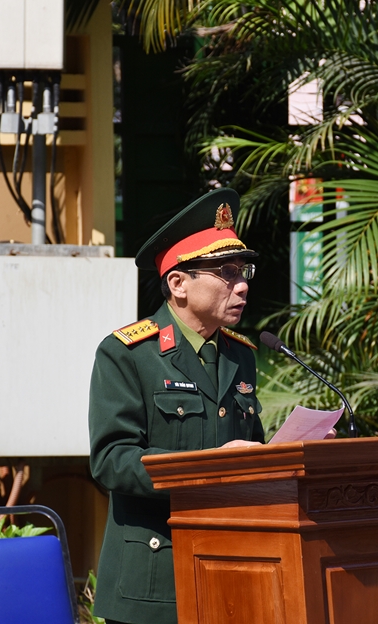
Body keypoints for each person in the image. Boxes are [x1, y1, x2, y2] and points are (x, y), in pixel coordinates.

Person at [88, 188, 264, 624]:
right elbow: (112, 460)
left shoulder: (241, 355)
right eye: (226, 272)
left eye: (243, 270)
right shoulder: (127, 354)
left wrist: (294, 451)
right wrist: (208, 468)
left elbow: (249, 451)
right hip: (154, 580)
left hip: (231, 573)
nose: (242, 284)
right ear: (178, 284)